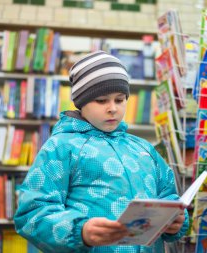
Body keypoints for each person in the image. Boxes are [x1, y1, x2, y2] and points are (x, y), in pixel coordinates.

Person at [14, 50, 189, 252]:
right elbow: (32, 213)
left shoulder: (144, 150)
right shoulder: (61, 147)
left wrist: (175, 223)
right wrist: (81, 232)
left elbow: (167, 198)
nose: (112, 108)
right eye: (101, 100)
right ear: (80, 102)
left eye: (120, 99)